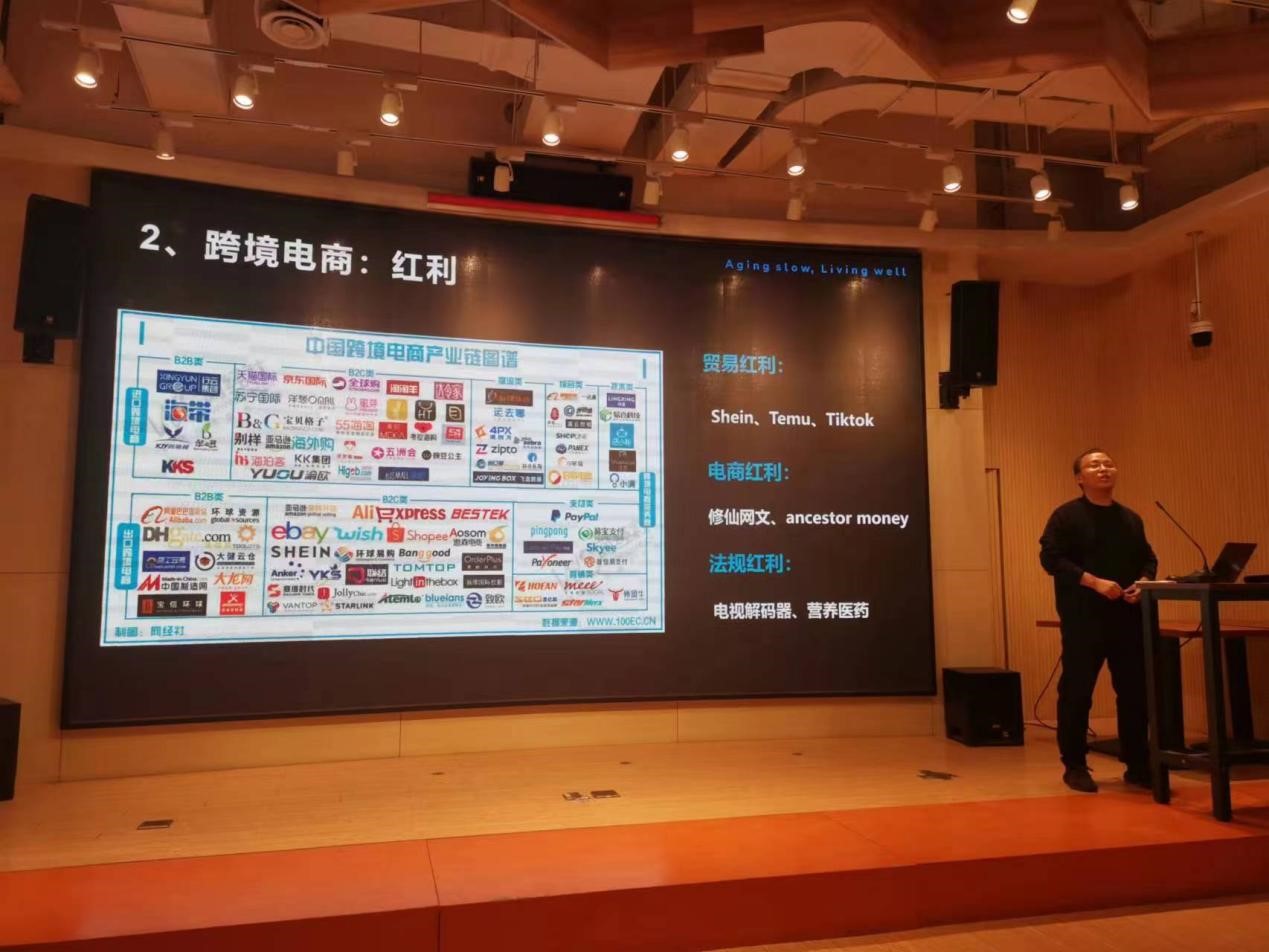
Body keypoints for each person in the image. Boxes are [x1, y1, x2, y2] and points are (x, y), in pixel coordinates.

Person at [1039, 449, 1158, 793]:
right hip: (1084, 618)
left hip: (1128, 616)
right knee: (1077, 693)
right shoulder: (1066, 516)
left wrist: (1144, 583)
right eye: (1094, 465)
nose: (1103, 468)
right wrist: (1093, 582)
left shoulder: (1130, 518)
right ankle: (1075, 765)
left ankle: (1137, 763)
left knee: (1134, 693)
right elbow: (1051, 559)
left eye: (1108, 463)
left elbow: (1148, 558)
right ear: (1080, 478)